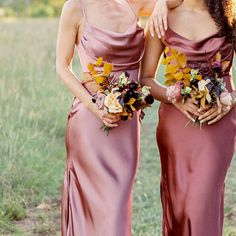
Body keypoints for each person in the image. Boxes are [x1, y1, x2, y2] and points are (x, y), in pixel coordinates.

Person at [56, 0, 182, 235]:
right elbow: (62, 67)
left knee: (117, 204)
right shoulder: (75, 7)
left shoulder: (137, 3)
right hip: (90, 120)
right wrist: (95, 106)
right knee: (95, 208)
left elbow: (181, 3)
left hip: (127, 124)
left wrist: (164, 3)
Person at [140, 0, 236, 235]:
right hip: (175, 128)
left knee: (201, 204)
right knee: (179, 205)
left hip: (218, 124)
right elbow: (146, 79)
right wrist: (173, 96)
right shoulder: (162, 17)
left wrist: (230, 99)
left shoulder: (230, 16)